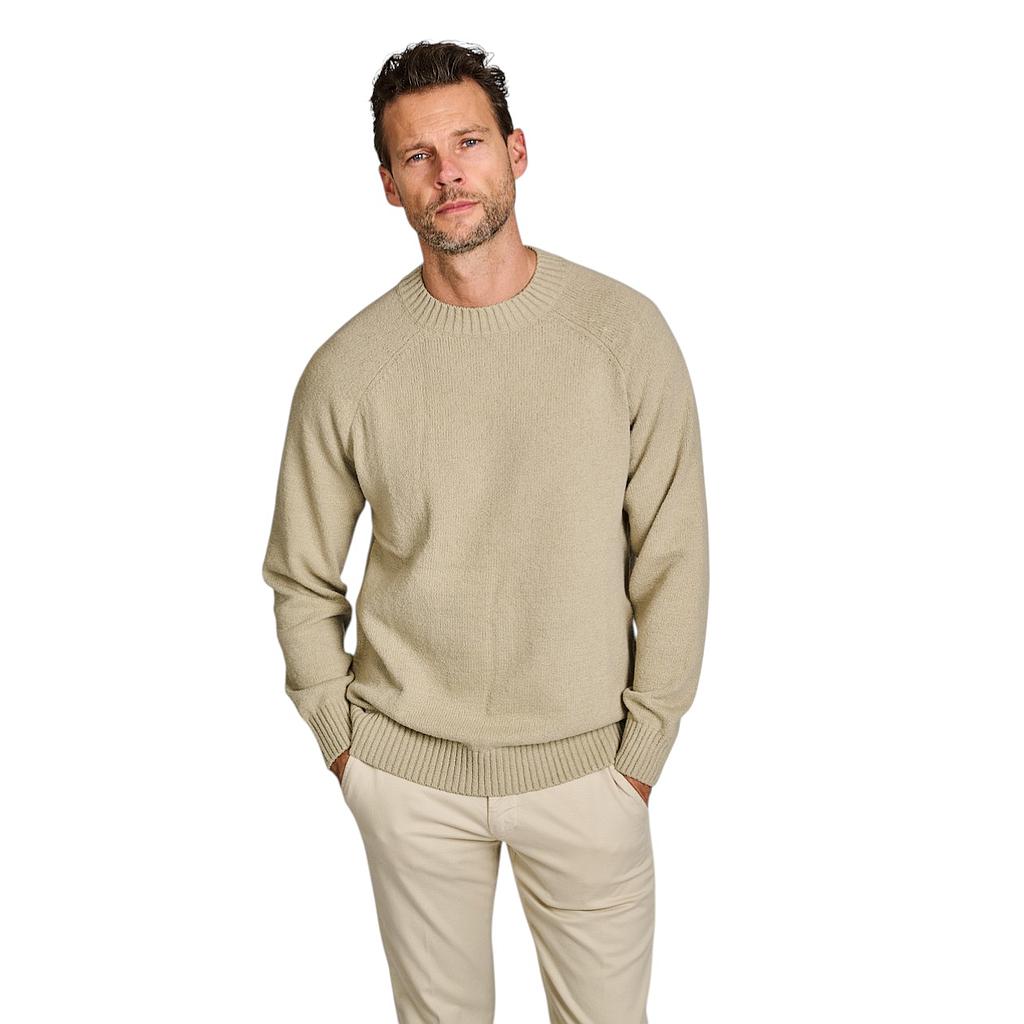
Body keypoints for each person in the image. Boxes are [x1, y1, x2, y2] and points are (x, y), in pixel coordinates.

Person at [261, 38, 710, 1024]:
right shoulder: (349, 370)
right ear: (389, 185)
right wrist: (346, 749)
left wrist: (643, 751)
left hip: (589, 770)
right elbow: (300, 576)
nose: (448, 172)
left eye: (468, 142)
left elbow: (674, 555)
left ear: (517, 151)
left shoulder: (622, 335)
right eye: (417, 155)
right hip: (407, 775)